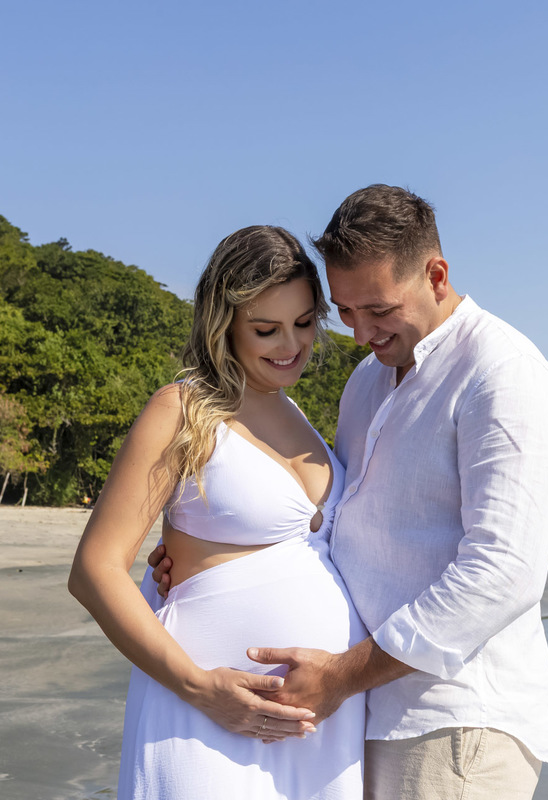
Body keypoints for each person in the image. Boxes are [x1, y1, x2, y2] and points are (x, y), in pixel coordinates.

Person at [152, 185, 548, 799]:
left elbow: (503, 572)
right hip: (364, 717)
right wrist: (192, 551)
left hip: (453, 719)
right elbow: (330, 521)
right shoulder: (370, 380)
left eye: (377, 309)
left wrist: (344, 675)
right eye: (346, 312)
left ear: (436, 274)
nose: (359, 333)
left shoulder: (502, 374)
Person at [68, 226, 367, 800]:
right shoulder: (181, 410)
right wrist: (202, 688)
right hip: (208, 715)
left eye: (305, 323)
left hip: (317, 730)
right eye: (266, 329)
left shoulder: (298, 413)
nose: (292, 345)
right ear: (222, 322)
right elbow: (95, 569)